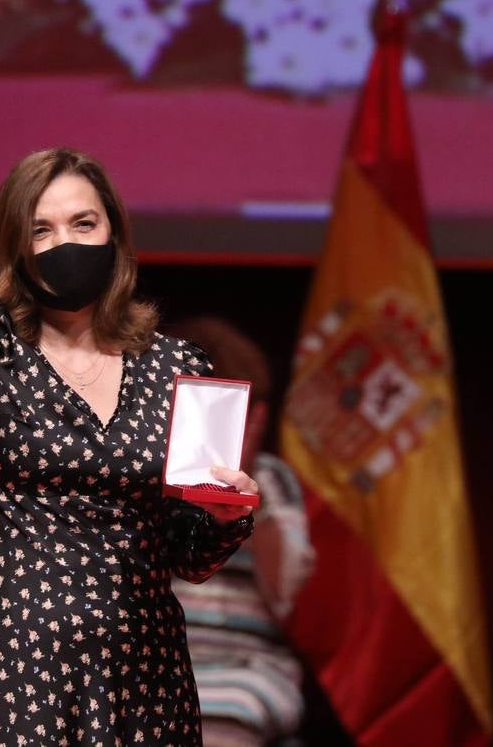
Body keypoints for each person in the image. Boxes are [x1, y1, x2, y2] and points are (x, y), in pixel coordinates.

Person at [0, 19, 260, 745]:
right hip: (13, 669)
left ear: (114, 237)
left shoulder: (178, 368)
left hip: (140, 676)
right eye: (40, 230)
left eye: (81, 223)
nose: (64, 243)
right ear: (16, 247)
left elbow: (190, 555)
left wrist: (227, 516)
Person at [165, 317, 316, 747]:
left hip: (250, 666)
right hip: (162, 658)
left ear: (257, 418)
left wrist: (251, 497)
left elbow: (287, 591)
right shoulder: (150, 484)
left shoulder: (272, 481)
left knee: (229, 715)